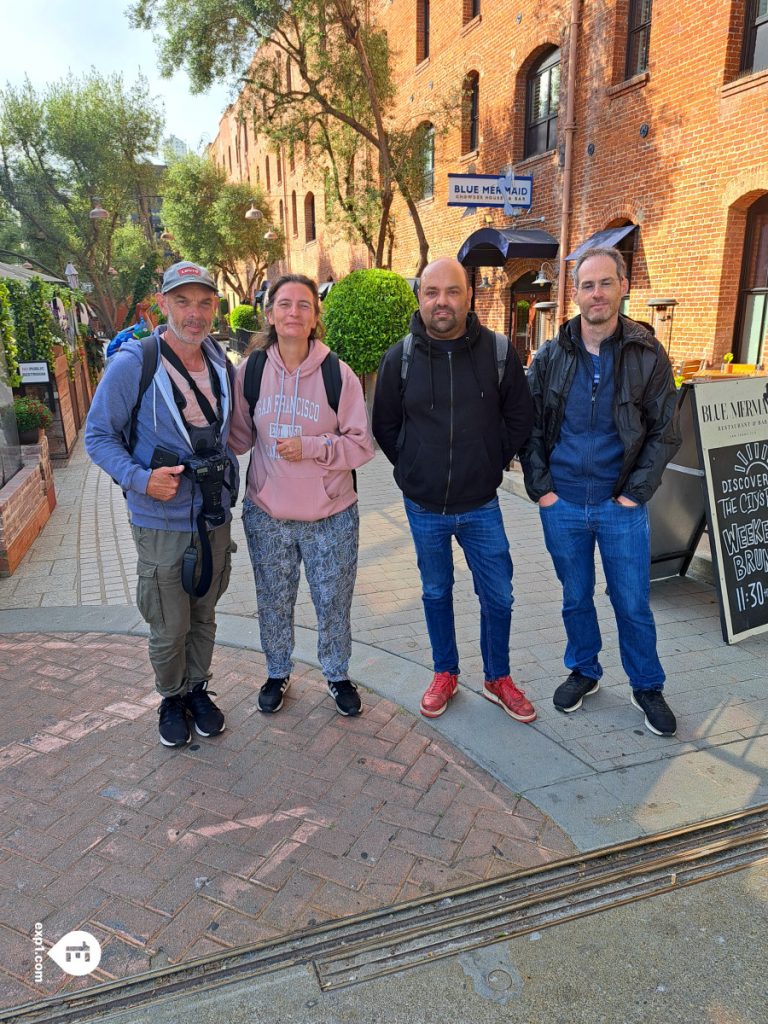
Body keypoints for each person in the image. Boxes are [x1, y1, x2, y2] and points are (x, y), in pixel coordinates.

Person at [520, 247, 681, 736]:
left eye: (605, 283)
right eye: (587, 285)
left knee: (631, 600)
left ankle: (647, 684)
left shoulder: (647, 353)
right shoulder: (552, 354)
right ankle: (584, 670)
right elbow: (527, 426)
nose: (597, 294)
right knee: (575, 596)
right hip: (563, 502)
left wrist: (635, 493)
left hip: (620, 506)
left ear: (623, 286)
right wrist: (542, 489)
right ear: (576, 294)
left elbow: (665, 430)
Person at [372, 256, 535, 722]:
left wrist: (490, 462)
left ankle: (497, 677)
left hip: (482, 504)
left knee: (498, 594)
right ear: (420, 297)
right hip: (424, 507)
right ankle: (445, 672)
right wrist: (410, 468)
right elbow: (385, 423)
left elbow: (520, 417)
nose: (441, 301)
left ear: (469, 297)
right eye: (431, 292)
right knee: (435, 591)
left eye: (452, 292)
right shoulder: (398, 358)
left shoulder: (499, 353)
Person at [85, 261, 239, 748]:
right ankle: (171, 697)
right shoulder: (135, 362)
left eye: (204, 302)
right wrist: (139, 480)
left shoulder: (220, 362)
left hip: (213, 515)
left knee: (204, 614)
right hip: (161, 522)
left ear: (215, 306)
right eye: (183, 302)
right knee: (168, 623)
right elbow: (97, 436)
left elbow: (232, 434)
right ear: (163, 304)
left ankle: (198, 689)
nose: (194, 314)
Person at [228, 274, 374, 716]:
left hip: (331, 515)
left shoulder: (338, 374)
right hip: (267, 514)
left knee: (333, 600)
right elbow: (237, 439)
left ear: (315, 318)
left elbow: (361, 446)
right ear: (270, 314)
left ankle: (336, 673)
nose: (294, 312)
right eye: (285, 304)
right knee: (273, 599)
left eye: (304, 305)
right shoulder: (250, 372)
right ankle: (277, 671)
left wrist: (312, 446)